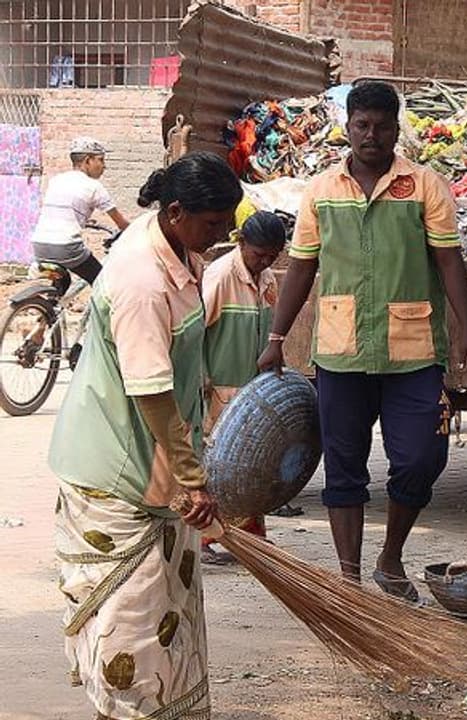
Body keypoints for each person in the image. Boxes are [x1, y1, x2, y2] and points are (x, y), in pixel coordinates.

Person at [258, 81, 467, 601]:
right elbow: (301, 267)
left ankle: (390, 558)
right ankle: (349, 581)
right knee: (343, 466)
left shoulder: (425, 186)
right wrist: (277, 336)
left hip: (415, 351)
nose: (372, 136)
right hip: (341, 351)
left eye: (382, 127)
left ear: (396, 129)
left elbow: (449, 259)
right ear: (348, 127)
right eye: (362, 125)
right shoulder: (321, 191)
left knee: (423, 456)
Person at [49, 152, 241, 720]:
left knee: (169, 608)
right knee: (130, 622)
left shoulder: (185, 252)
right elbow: (152, 391)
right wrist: (193, 477)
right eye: (213, 224)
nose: (221, 235)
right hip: (111, 470)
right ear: (176, 211)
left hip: (155, 462)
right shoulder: (139, 279)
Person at [199, 210, 287, 564]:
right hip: (219, 389)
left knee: (251, 463)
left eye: (272, 255)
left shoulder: (266, 279)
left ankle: (251, 534)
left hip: (251, 390)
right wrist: (201, 380)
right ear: (241, 243)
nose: (264, 262)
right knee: (219, 466)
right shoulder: (219, 277)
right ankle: (205, 538)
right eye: (259, 254)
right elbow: (194, 333)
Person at [29, 137, 130, 285]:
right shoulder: (94, 187)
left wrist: (84, 220)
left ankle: (51, 304)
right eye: (100, 160)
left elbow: (62, 210)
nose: (104, 166)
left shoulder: (57, 180)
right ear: (87, 160)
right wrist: (137, 231)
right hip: (66, 248)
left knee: (63, 280)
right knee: (101, 283)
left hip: (40, 245)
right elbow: (121, 223)